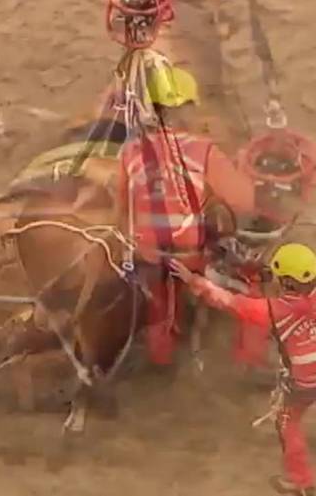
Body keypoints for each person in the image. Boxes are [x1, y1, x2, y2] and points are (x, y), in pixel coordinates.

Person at [168, 243, 316, 496]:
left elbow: (229, 302)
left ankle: (300, 481)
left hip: (302, 383)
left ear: (286, 280)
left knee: (288, 423)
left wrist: (195, 281)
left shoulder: (273, 309)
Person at [116, 63, 273, 367]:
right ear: (185, 108)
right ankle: (249, 359)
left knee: (158, 301)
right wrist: (240, 168)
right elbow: (244, 202)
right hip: (191, 258)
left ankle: (160, 351)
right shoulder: (202, 150)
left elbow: (122, 210)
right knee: (253, 278)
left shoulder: (130, 152)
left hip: (147, 257)